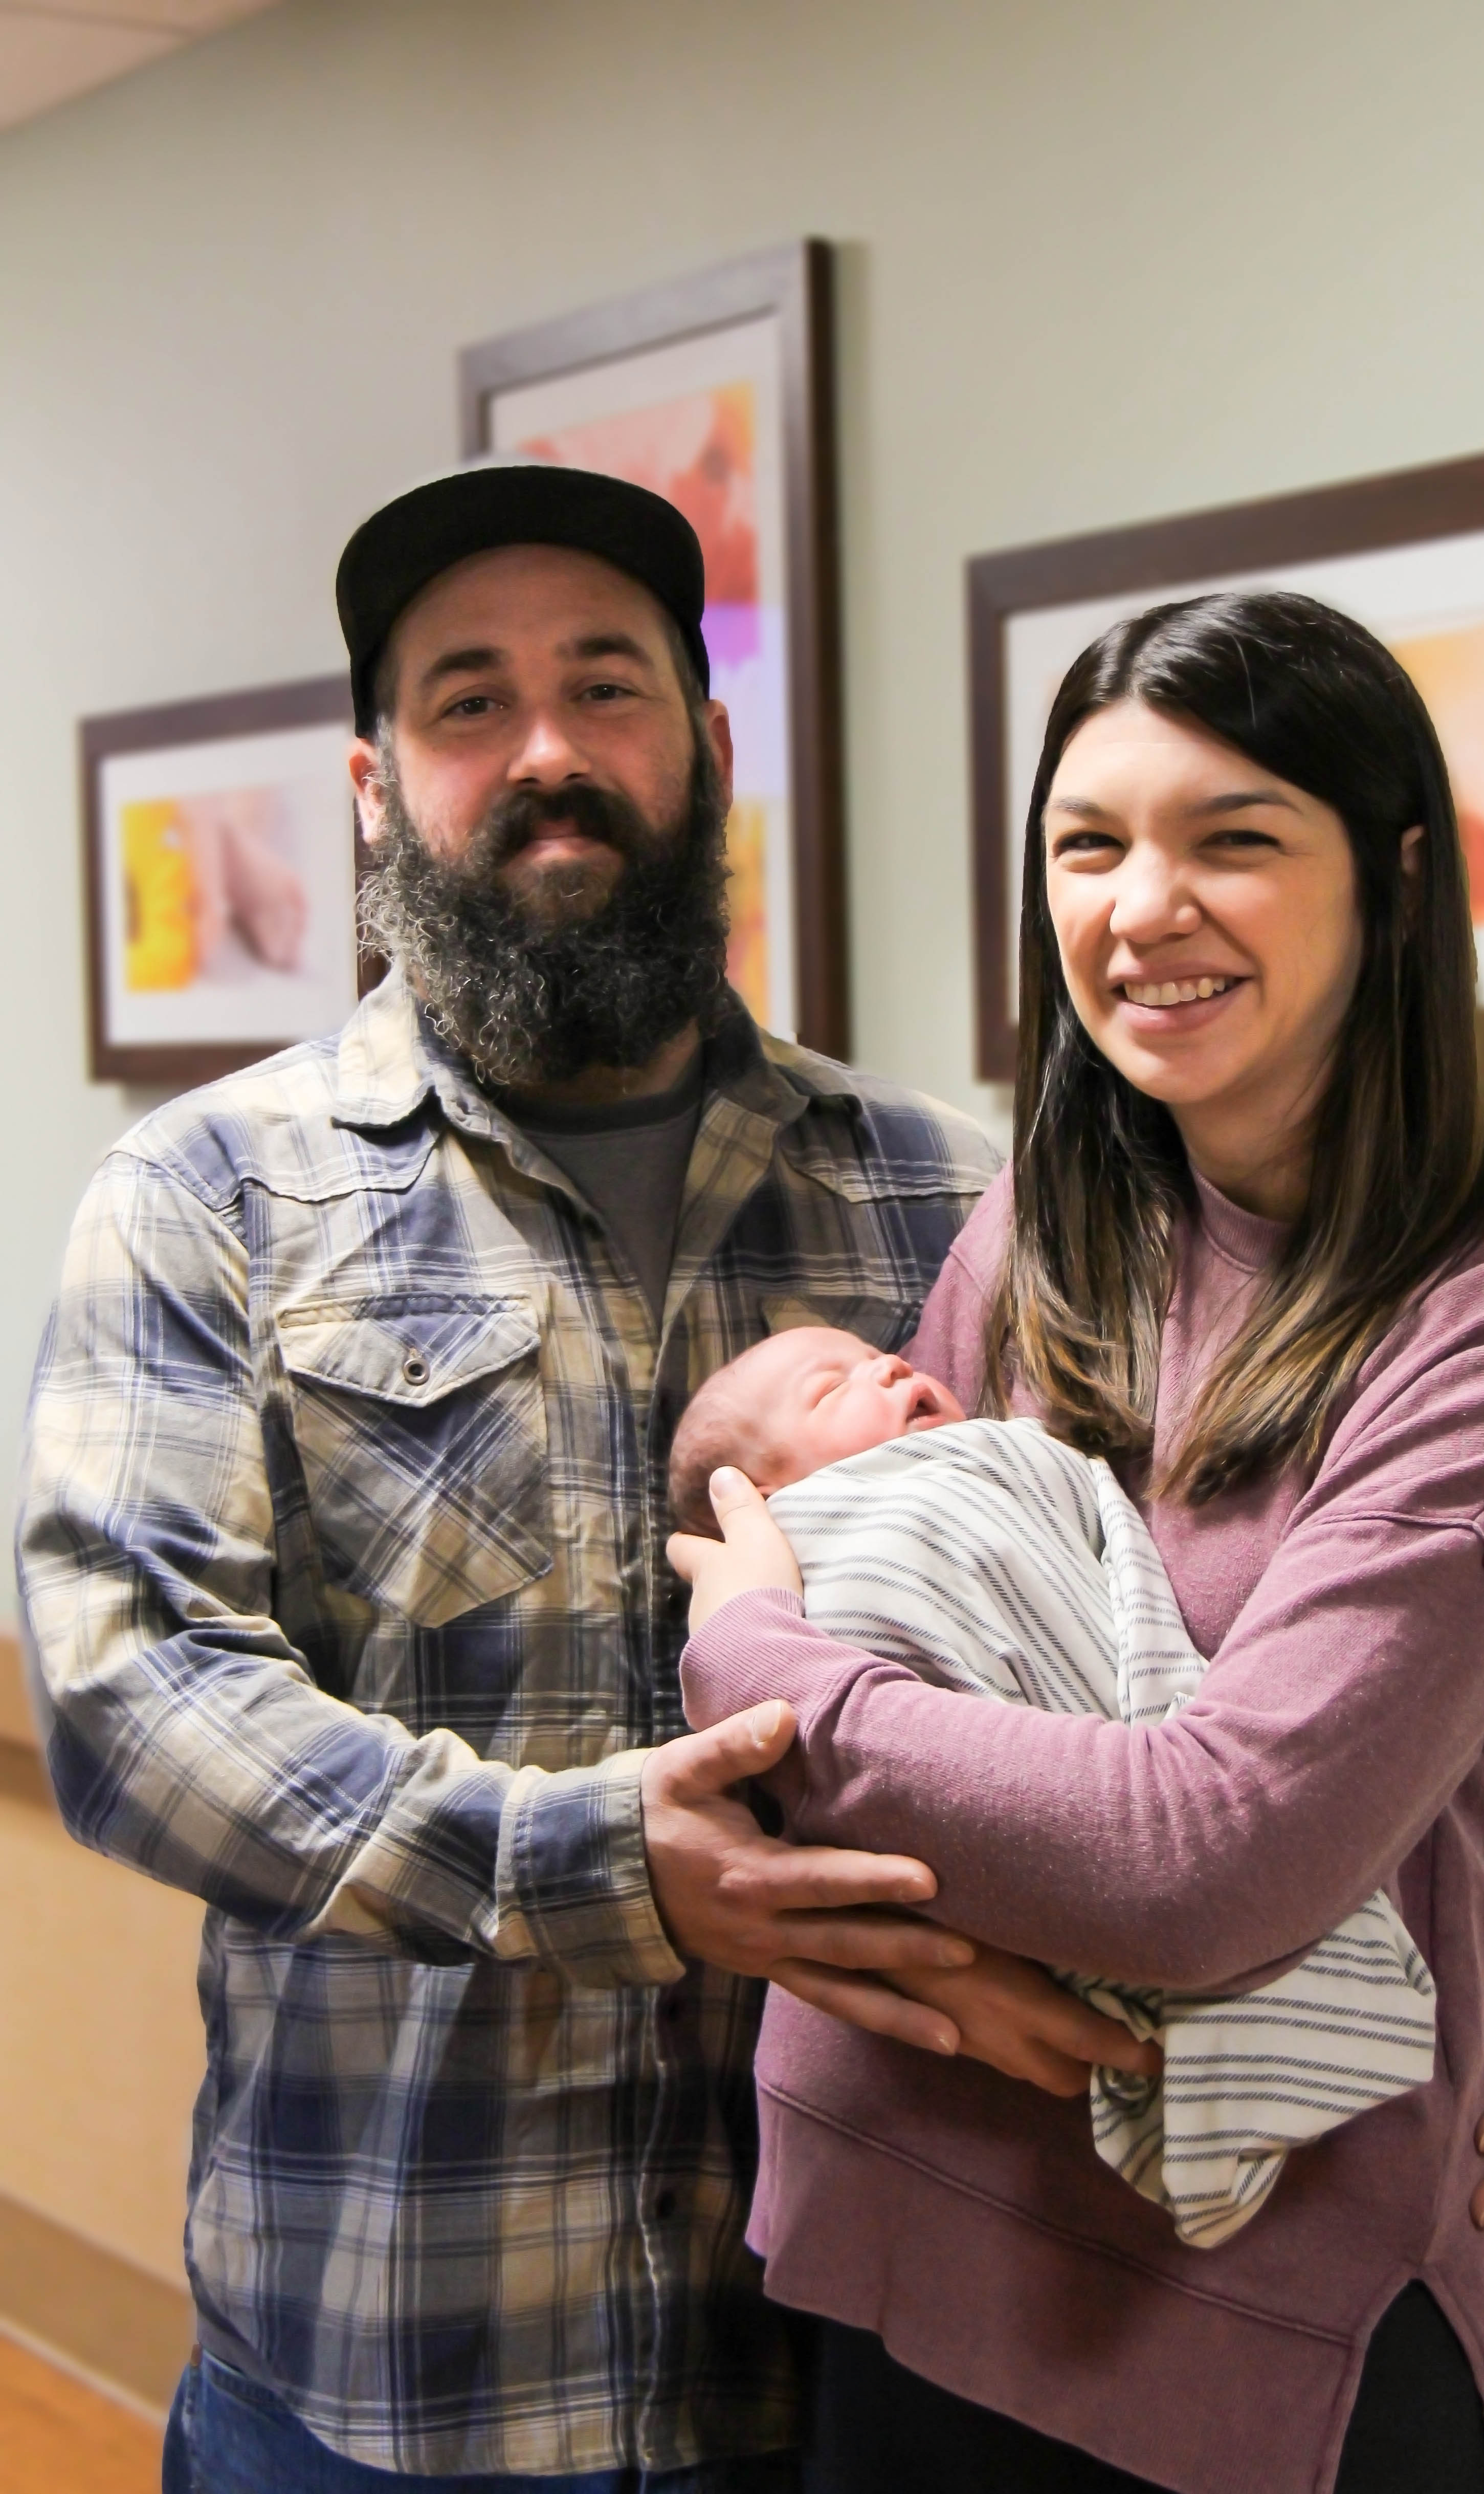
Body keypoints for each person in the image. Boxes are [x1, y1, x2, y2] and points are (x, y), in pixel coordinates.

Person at [16, 461, 1013, 2491]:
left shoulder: (948, 1198)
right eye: (466, 700)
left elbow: (1179, 1605)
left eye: (604, 686)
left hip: (846, 2382)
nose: (545, 752)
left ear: (706, 745)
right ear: (375, 784)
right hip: (383, 2387)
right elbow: (128, 1693)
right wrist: (591, 1866)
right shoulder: (213, 1196)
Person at [668, 589, 1484, 2494]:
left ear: (1394, 879)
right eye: (1090, 842)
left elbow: (1212, 1853)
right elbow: (913, 1630)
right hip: (916, 2241)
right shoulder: (1053, 1216)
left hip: (1252, 2342)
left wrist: (754, 1658)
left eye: (1236, 839)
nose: (1144, 908)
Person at [667, 1325, 1438, 2249]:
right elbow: (760, 1752)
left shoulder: (989, 1411)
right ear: (767, 1496)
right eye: (831, 1389)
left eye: (885, 1354)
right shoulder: (820, 1529)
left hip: (1194, 1868)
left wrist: (752, 1652)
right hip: (899, 2161)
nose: (892, 1364)